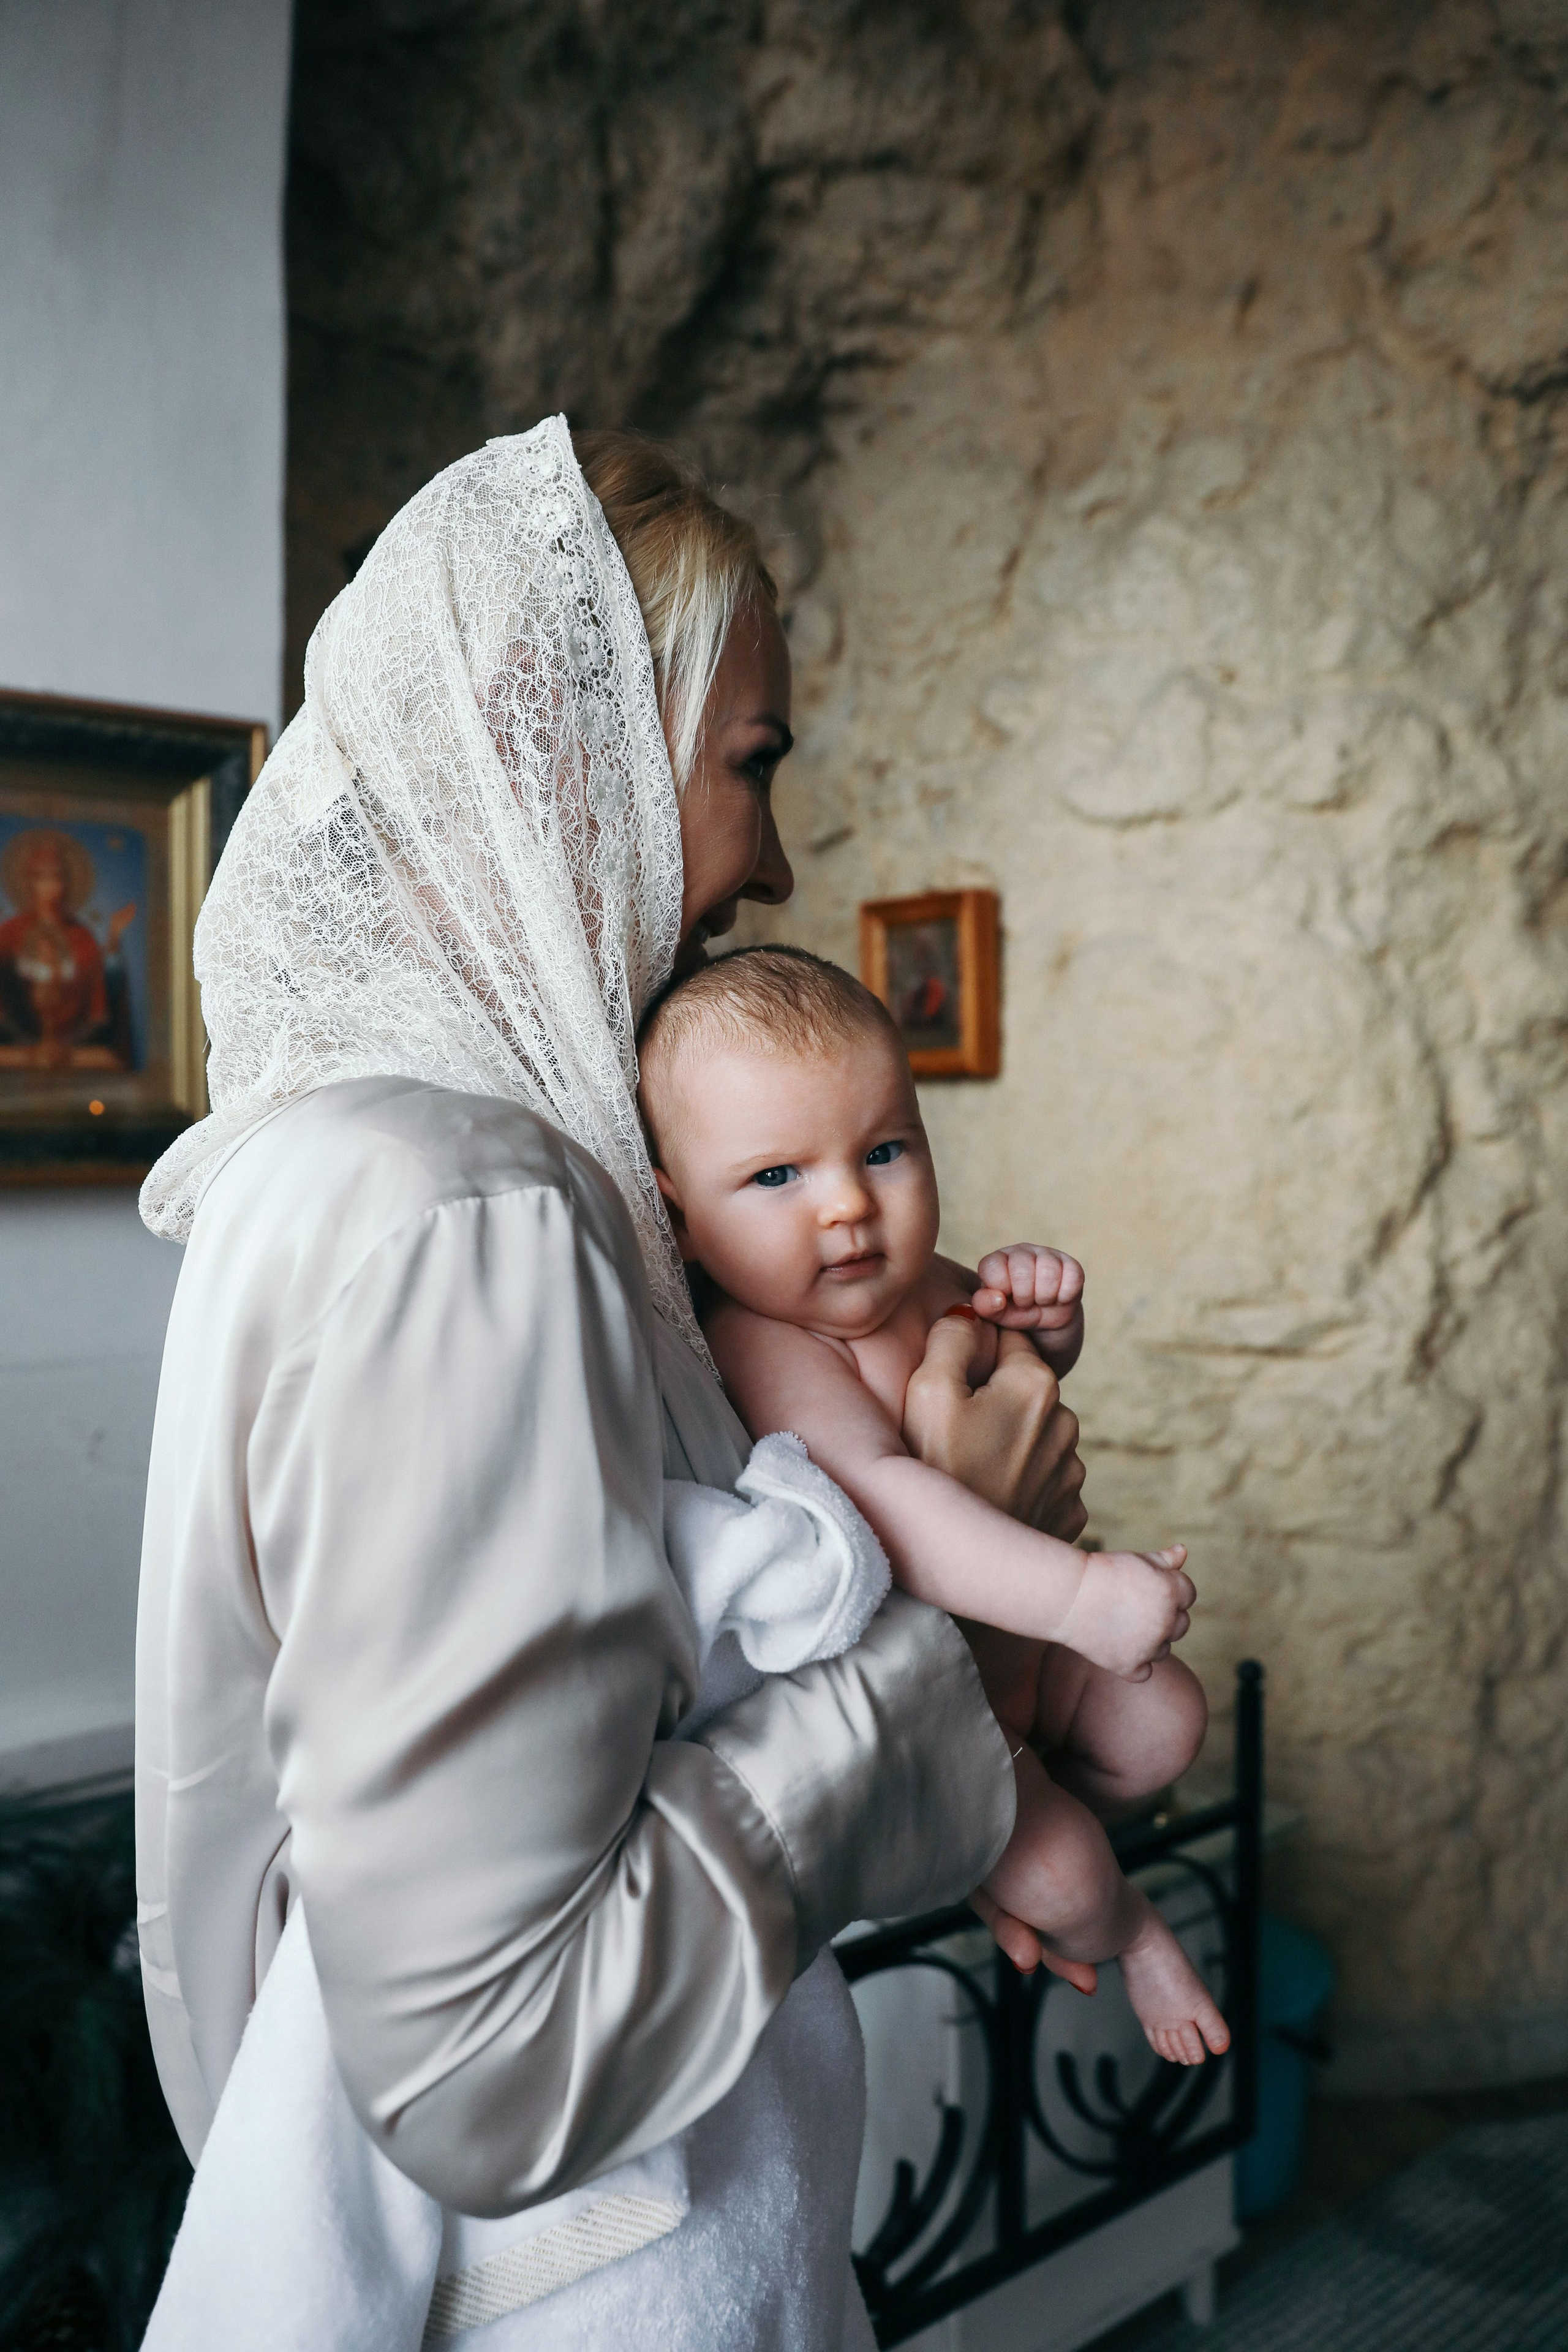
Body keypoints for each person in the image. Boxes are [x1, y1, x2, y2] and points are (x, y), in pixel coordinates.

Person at [134, 417, 1088, 2349]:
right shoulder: (464, 1211)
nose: (777, 850)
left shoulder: (369, 1162)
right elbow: (494, 2056)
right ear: (557, 749)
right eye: (752, 761)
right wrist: (966, 1624)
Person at [637, 944, 1229, 2068]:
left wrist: (1050, 1325)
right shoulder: (769, 1342)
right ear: (677, 1219)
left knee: (1167, 1724)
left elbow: (1023, 1376)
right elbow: (889, 1500)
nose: (850, 1206)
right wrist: (1082, 1595)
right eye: (778, 1178)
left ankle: (1010, 1841)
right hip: (952, 1711)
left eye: (885, 1150)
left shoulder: (926, 1284)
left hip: (1032, 1657)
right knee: (1068, 1879)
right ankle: (1132, 1929)